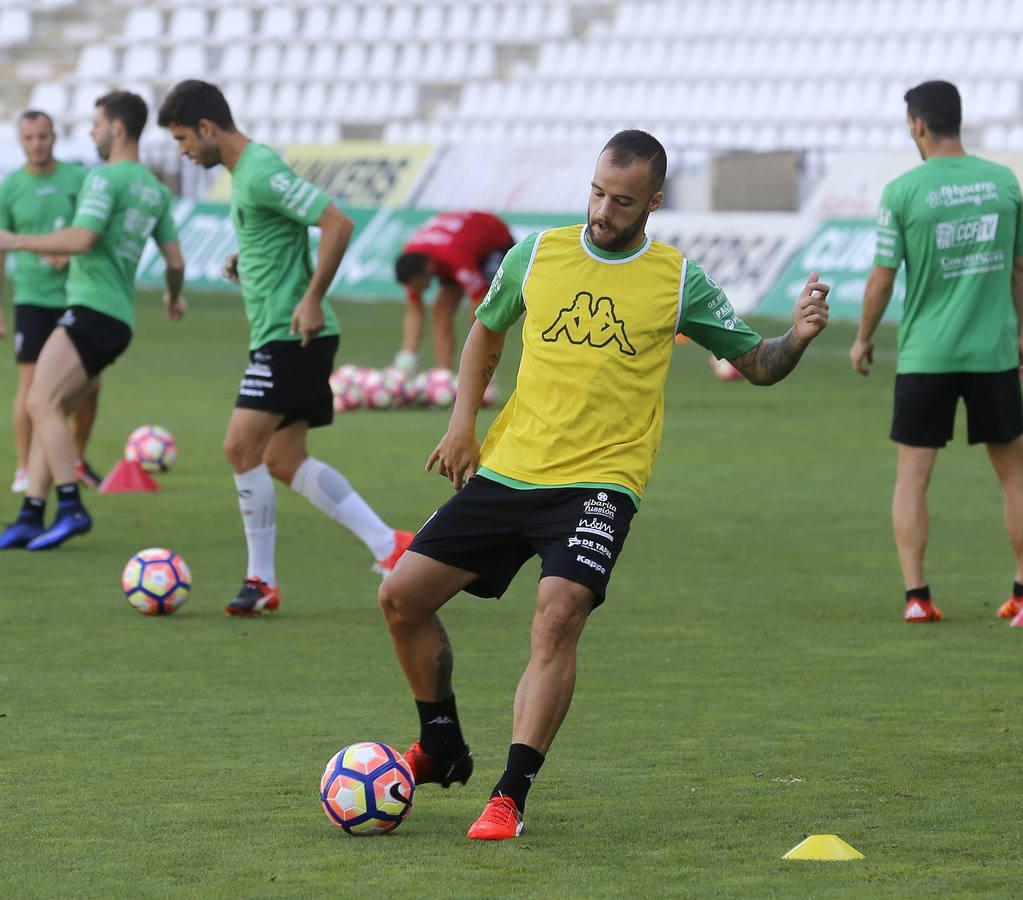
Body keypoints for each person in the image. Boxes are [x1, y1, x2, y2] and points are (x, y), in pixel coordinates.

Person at [378, 130, 830, 840]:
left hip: (600, 483)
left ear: (652, 202)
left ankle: (509, 795)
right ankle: (440, 745)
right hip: (510, 467)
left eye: (622, 201)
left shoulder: (677, 279)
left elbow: (758, 363)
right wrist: (462, 422)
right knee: (400, 598)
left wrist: (797, 337)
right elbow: (485, 333)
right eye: (596, 192)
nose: (603, 210)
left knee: (557, 616)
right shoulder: (538, 253)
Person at [157, 80, 414, 616]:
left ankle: (261, 579)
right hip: (282, 334)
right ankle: (389, 546)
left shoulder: (259, 171)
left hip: (293, 335)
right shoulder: (247, 175)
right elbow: (283, 234)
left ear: (207, 128)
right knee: (282, 458)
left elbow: (336, 222)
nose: (182, 150)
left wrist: (314, 298)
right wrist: (244, 260)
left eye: (183, 138)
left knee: (239, 448)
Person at [850, 80, 1023, 623]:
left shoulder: (904, 192)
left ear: (918, 125)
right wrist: (1015, 331)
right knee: (1014, 473)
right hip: (992, 352)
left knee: (912, 477)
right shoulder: (1003, 183)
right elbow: (1021, 266)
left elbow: (882, 280)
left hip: (926, 356)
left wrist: (864, 338)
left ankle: (918, 598)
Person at [0, 91, 187, 551]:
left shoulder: (103, 179)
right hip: (119, 319)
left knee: (40, 402)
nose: (91, 133)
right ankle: (32, 514)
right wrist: (173, 298)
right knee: (49, 404)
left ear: (117, 129)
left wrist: (14, 241)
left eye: (96, 125)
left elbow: (81, 238)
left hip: (90, 309)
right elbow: (174, 259)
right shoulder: (154, 189)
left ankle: (71, 506)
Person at [0, 109, 103, 493]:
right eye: (29, 138)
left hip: (76, 295)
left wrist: (71, 253)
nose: (36, 144)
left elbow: (94, 230)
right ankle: (23, 468)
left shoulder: (78, 180)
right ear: (20, 141)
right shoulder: (10, 188)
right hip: (33, 299)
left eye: (43, 136)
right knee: (32, 386)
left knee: (91, 384)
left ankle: (76, 457)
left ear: (54, 137)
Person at [393, 211, 515, 372]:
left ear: (428, 270)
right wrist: (407, 357)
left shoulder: (454, 257)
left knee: (481, 317)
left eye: (418, 286)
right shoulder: (411, 261)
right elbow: (414, 311)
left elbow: (480, 302)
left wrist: (477, 343)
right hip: (460, 244)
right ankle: (444, 372)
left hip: (495, 242)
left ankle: (482, 374)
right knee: (441, 311)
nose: (416, 291)